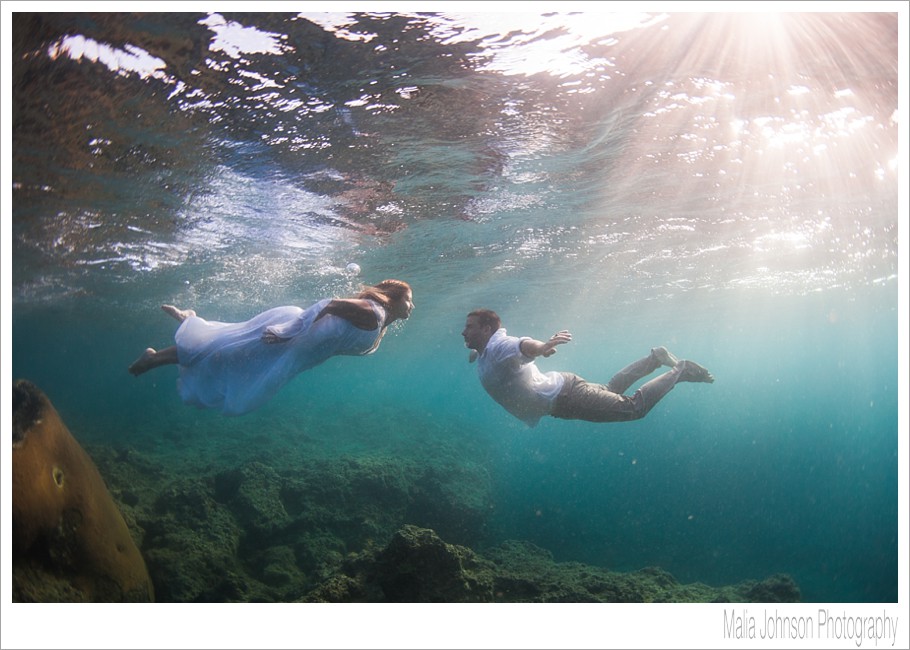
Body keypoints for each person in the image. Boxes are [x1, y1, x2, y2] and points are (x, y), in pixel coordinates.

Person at [129, 280, 414, 416]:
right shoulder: (372, 312)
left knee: (227, 354)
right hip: (290, 333)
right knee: (224, 354)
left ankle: (190, 324)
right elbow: (328, 303)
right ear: (393, 297)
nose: (412, 306)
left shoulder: (379, 324)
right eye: (409, 299)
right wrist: (287, 331)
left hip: (295, 352)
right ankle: (165, 348)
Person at [461, 308, 713, 428]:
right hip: (563, 394)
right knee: (609, 388)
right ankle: (655, 358)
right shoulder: (485, 350)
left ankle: (680, 370)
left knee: (634, 408)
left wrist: (543, 347)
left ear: (486, 330)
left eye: (469, 327)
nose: (464, 331)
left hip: (566, 398)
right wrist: (475, 351)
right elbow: (488, 354)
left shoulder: (498, 347)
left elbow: (523, 345)